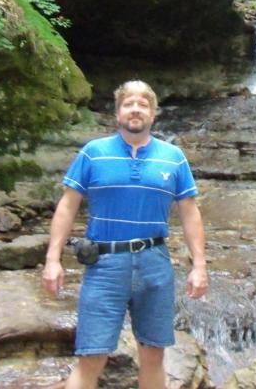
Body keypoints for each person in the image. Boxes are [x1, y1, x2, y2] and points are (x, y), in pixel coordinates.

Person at [42, 80, 208, 389]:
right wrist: (53, 259)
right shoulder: (93, 153)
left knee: (154, 353)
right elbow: (67, 206)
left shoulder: (174, 157)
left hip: (154, 263)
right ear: (117, 113)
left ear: (153, 114)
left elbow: (189, 211)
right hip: (104, 264)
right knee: (91, 354)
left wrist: (199, 266)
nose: (135, 109)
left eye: (142, 104)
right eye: (128, 104)